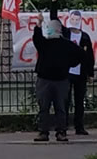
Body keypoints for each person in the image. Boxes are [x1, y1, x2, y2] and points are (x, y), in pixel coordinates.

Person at [32, 13, 84, 142]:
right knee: (50, 107)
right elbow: (81, 54)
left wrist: (38, 25)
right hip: (52, 79)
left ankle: (53, 131)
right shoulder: (47, 43)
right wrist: (38, 25)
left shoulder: (63, 44)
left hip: (55, 80)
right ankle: (54, 132)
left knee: (56, 107)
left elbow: (80, 55)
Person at [51, 0, 95, 135]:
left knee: (79, 101)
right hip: (67, 72)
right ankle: (62, 127)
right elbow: (53, 19)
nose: (75, 21)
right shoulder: (65, 33)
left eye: (77, 19)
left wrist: (90, 73)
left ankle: (79, 126)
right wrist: (54, 3)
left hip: (80, 73)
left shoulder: (85, 36)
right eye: (73, 19)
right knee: (65, 101)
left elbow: (89, 56)